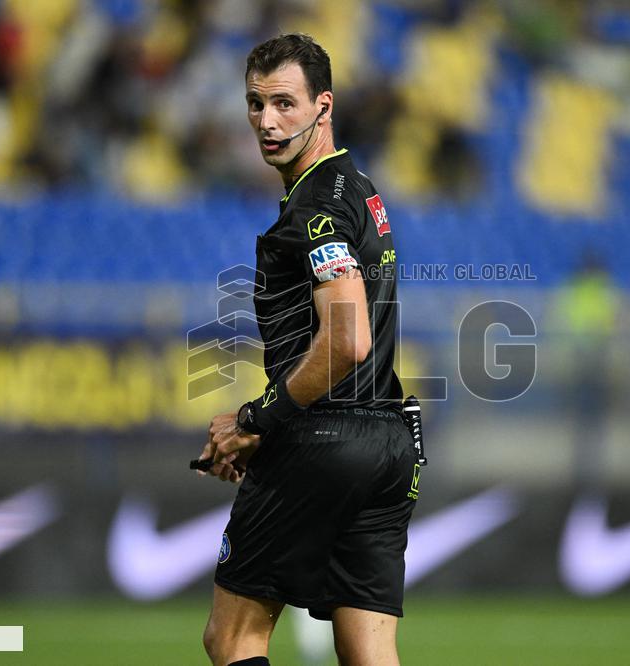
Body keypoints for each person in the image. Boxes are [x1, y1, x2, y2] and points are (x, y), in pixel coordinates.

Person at [195, 33, 418, 666]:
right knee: (369, 654)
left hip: (323, 440)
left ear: (323, 106)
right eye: (255, 104)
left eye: (285, 104)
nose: (267, 122)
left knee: (233, 637)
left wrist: (256, 420)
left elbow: (348, 340)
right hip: (390, 446)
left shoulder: (317, 206)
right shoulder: (357, 188)